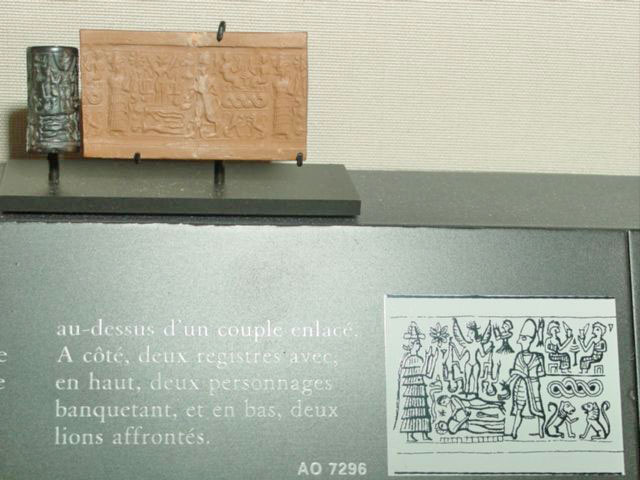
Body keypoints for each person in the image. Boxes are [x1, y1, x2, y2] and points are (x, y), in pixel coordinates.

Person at [504, 319, 546, 439]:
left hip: (533, 384)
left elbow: (542, 373)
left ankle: (541, 432)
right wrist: (508, 382)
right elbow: (515, 373)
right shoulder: (519, 356)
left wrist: (530, 375)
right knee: (519, 409)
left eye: (522, 338)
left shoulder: (538, 357)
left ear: (529, 340)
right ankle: (514, 432)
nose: (519, 341)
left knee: (538, 408)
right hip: (521, 385)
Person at [394, 322, 432, 442]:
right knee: (412, 410)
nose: (419, 346)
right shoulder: (409, 359)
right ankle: (410, 435)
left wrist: (430, 358)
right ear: (412, 345)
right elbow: (419, 373)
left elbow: (426, 372)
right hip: (412, 390)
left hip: (419, 388)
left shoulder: (419, 358)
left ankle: (424, 434)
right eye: (417, 344)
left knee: (422, 410)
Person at [436, 395, 505, 435]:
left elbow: (460, 404)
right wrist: (457, 414)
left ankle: (498, 405)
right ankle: (498, 407)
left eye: (444, 402)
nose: (445, 404)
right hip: (469, 415)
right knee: (484, 410)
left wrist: (464, 410)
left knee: (485, 405)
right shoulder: (451, 427)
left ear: (445, 397)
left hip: (471, 404)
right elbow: (456, 412)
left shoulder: (453, 398)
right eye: (443, 404)